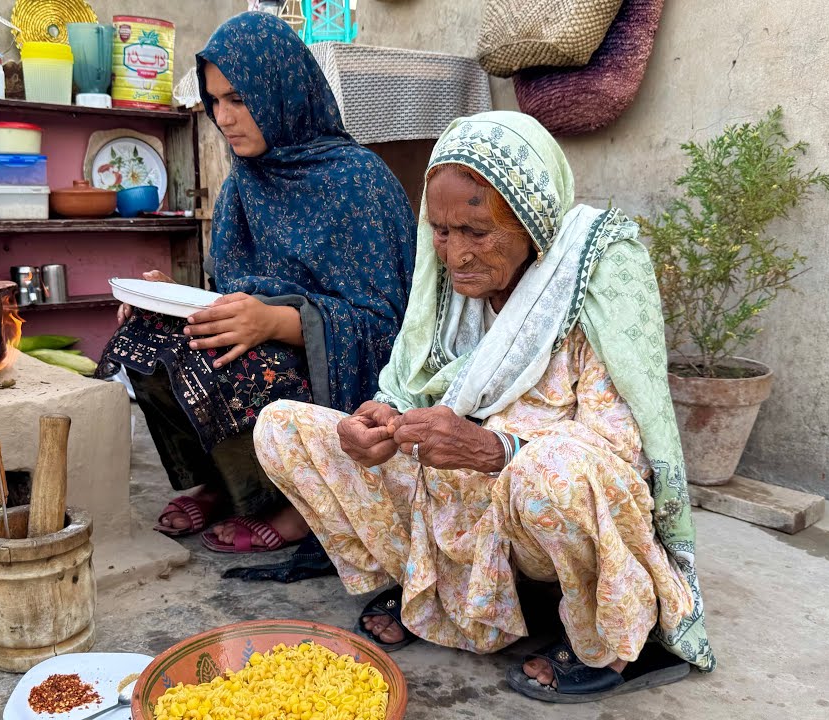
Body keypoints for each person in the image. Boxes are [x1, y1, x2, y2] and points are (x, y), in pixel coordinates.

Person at [254, 111, 715, 702]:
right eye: (442, 231)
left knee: (550, 477)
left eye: (478, 231)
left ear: (532, 223)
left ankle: (613, 638)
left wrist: (497, 450)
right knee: (283, 427)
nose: (456, 254)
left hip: (532, 506)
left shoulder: (589, 285)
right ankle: (431, 586)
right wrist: (377, 418)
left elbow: (622, 454)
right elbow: (407, 385)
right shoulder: (448, 293)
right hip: (451, 498)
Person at [98, 12, 415, 554]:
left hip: (325, 365)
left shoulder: (358, 181)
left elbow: (394, 329)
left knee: (233, 363)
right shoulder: (246, 182)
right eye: (214, 101)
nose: (224, 118)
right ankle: (228, 486)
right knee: (144, 339)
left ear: (283, 91)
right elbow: (229, 288)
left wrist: (276, 321)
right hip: (261, 336)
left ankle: (295, 505)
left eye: (239, 99)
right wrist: (162, 296)